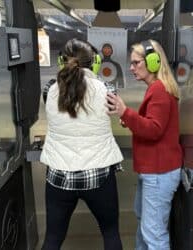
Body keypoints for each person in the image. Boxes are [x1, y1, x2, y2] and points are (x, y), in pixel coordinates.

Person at [40, 38, 124, 250]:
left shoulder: (49, 89)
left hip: (59, 177)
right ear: (95, 62)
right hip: (98, 176)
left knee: (52, 239)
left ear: (61, 62)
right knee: (111, 233)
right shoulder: (107, 89)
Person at [106, 39, 183, 250]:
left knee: (154, 235)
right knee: (146, 225)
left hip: (159, 172)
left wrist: (126, 112)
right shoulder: (157, 88)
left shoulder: (159, 90)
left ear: (153, 62)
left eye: (136, 62)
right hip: (155, 170)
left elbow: (154, 129)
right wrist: (129, 118)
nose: (131, 68)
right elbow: (151, 123)